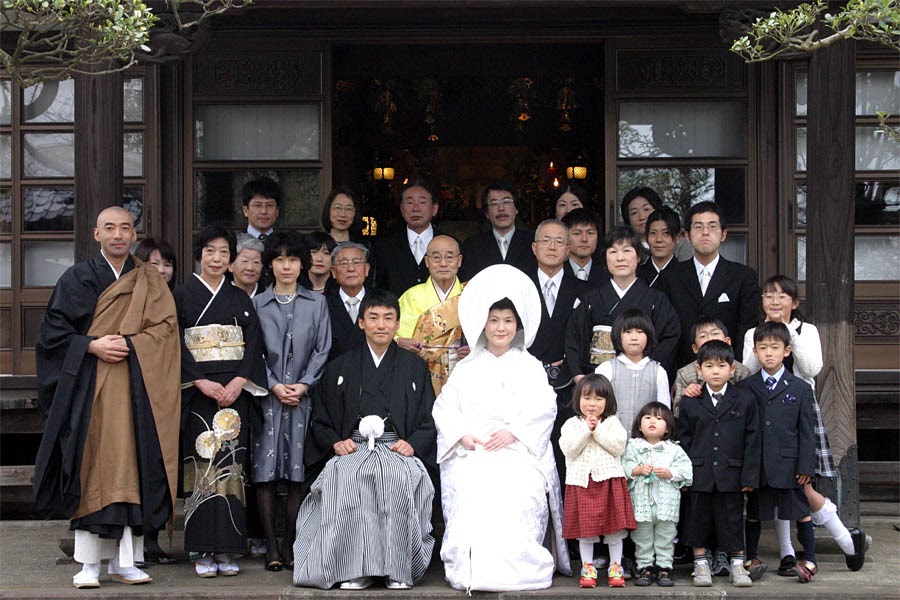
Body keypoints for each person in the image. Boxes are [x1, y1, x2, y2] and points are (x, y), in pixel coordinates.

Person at [33, 207, 181, 589]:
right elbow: (51, 334)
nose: (118, 234)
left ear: (135, 234)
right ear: (96, 233)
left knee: (133, 469)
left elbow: (165, 331)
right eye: (110, 228)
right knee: (93, 468)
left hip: (136, 387)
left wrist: (131, 344)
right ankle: (88, 564)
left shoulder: (149, 279)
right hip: (90, 389)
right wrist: (91, 345)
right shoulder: (76, 278)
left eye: (125, 228)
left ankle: (126, 562)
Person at [433, 264, 571, 592]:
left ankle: (520, 569)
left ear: (518, 325)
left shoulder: (530, 366)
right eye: (494, 320)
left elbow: (544, 408)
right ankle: (474, 570)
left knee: (518, 490)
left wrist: (515, 433)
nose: (500, 327)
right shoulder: (466, 369)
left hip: (518, 451)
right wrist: (461, 436)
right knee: (473, 489)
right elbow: (445, 409)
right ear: (483, 323)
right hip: (474, 450)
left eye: (508, 321)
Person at [293, 289, 436, 591]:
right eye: (373, 318)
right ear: (361, 323)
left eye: (388, 318)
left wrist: (413, 443)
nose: (381, 325)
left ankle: (397, 567)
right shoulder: (340, 367)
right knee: (342, 478)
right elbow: (321, 418)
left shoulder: (414, 367)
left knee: (397, 479)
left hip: (396, 446)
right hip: (354, 446)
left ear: (398, 325)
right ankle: (353, 567)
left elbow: (428, 416)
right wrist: (336, 442)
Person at [741, 275, 865, 575]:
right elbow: (748, 370)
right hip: (762, 405)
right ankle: (787, 555)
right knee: (775, 486)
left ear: (794, 303)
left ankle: (847, 541)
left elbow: (812, 368)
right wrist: (767, 336)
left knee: (801, 487)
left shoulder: (806, 330)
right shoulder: (753, 334)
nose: (774, 301)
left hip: (798, 407)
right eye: (769, 295)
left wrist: (788, 333)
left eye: (782, 296)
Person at [174, 224, 268, 578]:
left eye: (224, 253)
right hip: (199, 393)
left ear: (231, 261)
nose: (217, 258)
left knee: (233, 468)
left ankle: (229, 548)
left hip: (234, 394)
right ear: (199, 255)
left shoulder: (241, 299)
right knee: (201, 465)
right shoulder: (181, 296)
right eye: (210, 251)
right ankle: (201, 547)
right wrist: (200, 380)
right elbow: (175, 343)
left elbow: (253, 343)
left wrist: (240, 380)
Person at [251, 232, 331, 572]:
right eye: (280, 259)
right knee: (266, 473)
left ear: (302, 264)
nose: (287, 266)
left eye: (293, 259)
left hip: (302, 399)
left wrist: (303, 384)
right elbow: (251, 352)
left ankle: (290, 544)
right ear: (271, 264)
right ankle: (270, 543)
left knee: (297, 473)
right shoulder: (256, 304)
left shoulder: (317, 303)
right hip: (266, 400)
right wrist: (272, 385)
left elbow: (323, 348)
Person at [676, 340, 760, 588]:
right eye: (709, 366)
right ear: (699, 370)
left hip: (732, 471)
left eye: (721, 366)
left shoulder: (744, 399)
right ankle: (700, 564)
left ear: (732, 369)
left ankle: (737, 564)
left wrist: (749, 476)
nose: (715, 371)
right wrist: (684, 474)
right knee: (698, 517)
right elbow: (685, 439)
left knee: (732, 518)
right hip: (699, 470)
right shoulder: (691, 400)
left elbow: (753, 438)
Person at [739, 321, 818, 583]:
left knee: (800, 510)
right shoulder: (746, 387)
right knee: (754, 512)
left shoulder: (800, 388)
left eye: (775, 347)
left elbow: (807, 431)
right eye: (763, 348)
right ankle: (751, 557)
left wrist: (806, 466)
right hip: (758, 464)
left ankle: (810, 559)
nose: (769, 353)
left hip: (789, 463)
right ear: (755, 351)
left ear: (787, 351)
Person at [566, 226, 680, 380]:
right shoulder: (592, 299)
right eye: (613, 252)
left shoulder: (655, 299)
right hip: (597, 381)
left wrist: (649, 369)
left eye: (627, 251)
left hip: (641, 377)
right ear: (605, 258)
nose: (620, 258)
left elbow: (670, 335)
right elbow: (574, 336)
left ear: (638, 256)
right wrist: (578, 374)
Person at [527, 219, 591, 485]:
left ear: (568, 250)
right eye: (545, 240)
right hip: (527, 384)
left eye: (559, 242)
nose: (552, 247)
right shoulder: (520, 288)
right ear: (534, 247)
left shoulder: (587, 291)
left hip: (570, 386)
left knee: (569, 455)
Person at [657, 201, 760, 365]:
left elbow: (746, 330)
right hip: (682, 374)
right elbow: (664, 330)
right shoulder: (669, 277)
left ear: (723, 235)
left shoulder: (743, 277)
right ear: (688, 236)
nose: (705, 232)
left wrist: (737, 371)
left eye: (712, 227)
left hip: (728, 371)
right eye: (698, 227)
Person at [560, 374, 636, 589]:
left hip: (609, 481)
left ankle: (615, 566)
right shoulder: (571, 425)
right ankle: (587, 567)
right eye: (587, 398)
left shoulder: (612, 423)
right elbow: (570, 450)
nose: (592, 404)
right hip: (581, 482)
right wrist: (586, 429)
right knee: (586, 531)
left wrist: (597, 429)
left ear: (608, 401)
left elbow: (617, 447)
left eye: (598, 399)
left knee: (614, 529)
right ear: (578, 399)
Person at [131, 237, 179, 566]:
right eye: (154, 264)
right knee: (140, 463)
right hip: (137, 391)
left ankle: (154, 538)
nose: (162, 271)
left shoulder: (178, 300)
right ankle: (136, 539)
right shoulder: (130, 300)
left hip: (173, 391)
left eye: (167, 264)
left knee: (164, 466)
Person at [621, 402, 692, 588]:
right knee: (642, 537)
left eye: (659, 419)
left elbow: (687, 471)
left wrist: (670, 473)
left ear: (667, 428)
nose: (653, 421)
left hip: (666, 504)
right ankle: (644, 566)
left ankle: (664, 567)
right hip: (642, 503)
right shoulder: (633, 447)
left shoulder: (674, 449)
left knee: (666, 536)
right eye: (648, 418)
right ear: (639, 425)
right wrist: (637, 470)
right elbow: (624, 466)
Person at [397, 235, 467, 395]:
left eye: (449, 257)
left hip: (463, 376)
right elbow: (395, 336)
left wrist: (475, 350)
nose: (443, 263)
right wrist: (399, 341)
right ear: (427, 262)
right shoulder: (411, 296)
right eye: (436, 257)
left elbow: (488, 339)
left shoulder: (471, 295)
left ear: (459, 261)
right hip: (419, 376)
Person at [595, 309, 671, 434]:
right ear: (618, 336)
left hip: (646, 443)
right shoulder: (605, 369)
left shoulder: (658, 372)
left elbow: (664, 411)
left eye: (640, 332)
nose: (634, 337)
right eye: (628, 332)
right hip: (610, 440)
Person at [375, 179, 446, 296]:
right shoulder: (384, 247)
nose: (415, 208)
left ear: (434, 209)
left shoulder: (451, 245)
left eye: (422, 202)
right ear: (402, 209)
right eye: (409, 203)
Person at [673, 317, 752, 417]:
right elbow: (677, 412)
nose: (710, 338)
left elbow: (748, 406)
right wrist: (688, 396)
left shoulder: (742, 372)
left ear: (728, 341)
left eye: (715, 333)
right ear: (695, 348)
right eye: (703, 336)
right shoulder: (685, 374)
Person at [460, 181, 537, 278]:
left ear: (516, 209)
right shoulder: (472, 246)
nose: (501, 208)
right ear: (487, 213)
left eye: (507, 202)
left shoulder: (534, 242)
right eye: (494, 203)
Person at [324, 242, 370, 360]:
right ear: (333, 272)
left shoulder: (381, 301)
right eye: (344, 263)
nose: (351, 269)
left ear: (367, 269)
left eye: (356, 262)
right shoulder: (323, 305)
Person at [637, 207, 682, 288]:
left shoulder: (687, 276)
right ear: (646, 237)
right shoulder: (635, 275)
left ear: (677, 237)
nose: (659, 239)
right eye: (653, 233)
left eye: (666, 233)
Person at [562, 208, 606, 287]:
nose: (584, 239)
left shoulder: (608, 273)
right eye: (577, 233)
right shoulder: (557, 272)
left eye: (590, 233)